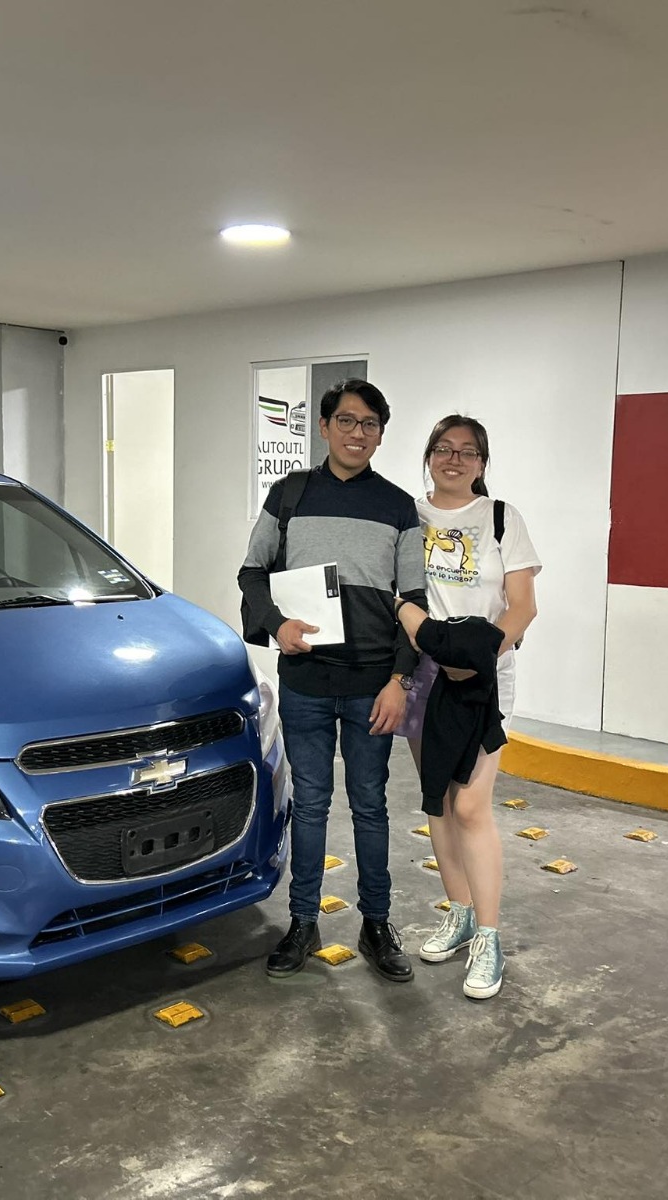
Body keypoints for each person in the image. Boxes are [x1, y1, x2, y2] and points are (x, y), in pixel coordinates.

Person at [238, 379, 427, 982]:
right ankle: (303, 921)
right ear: (323, 427)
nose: (357, 433)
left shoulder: (400, 507)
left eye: (369, 424)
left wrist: (402, 680)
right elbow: (251, 574)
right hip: (306, 683)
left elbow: (415, 602)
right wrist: (276, 624)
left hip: (374, 686)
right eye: (346, 421)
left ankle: (377, 924)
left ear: (380, 434)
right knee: (312, 805)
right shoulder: (288, 494)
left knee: (372, 807)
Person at [394, 414, 540, 999]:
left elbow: (523, 606)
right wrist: (432, 645)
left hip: (483, 680)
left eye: (468, 452)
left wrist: (475, 654)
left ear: (482, 463)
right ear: (428, 456)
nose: (455, 460)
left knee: (473, 804)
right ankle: (457, 911)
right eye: (444, 449)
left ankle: (488, 934)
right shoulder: (407, 517)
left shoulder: (502, 518)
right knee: (439, 800)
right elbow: (396, 597)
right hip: (422, 677)